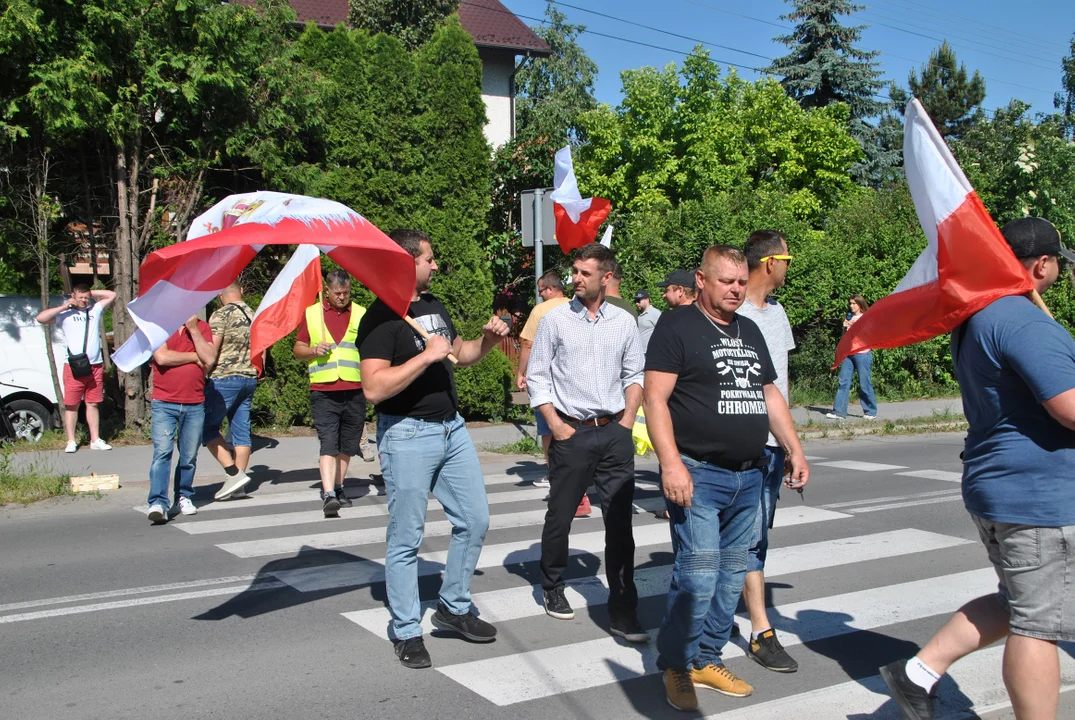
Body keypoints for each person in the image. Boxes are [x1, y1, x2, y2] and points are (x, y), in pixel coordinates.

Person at [881, 217, 1075, 720]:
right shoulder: (1021, 318)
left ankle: (917, 673)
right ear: (1043, 264)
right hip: (1038, 494)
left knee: (1018, 603)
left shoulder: (981, 315)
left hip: (1001, 484)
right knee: (1039, 623)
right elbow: (1069, 407)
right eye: (1059, 264)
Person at [644, 245, 809, 711]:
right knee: (696, 575)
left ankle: (707, 658)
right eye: (726, 281)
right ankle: (676, 663)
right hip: (697, 473)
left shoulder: (749, 330)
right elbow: (656, 400)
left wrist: (795, 449)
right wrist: (670, 463)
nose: (736, 289)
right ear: (701, 280)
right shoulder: (676, 326)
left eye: (740, 282)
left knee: (732, 573)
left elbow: (769, 394)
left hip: (750, 475)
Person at [358, 228, 510, 670]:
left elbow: (459, 354)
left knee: (475, 519)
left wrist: (488, 339)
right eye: (429, 258)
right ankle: (406, 630)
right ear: (408, 263)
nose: (436, 265)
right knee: (407, 537)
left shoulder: (432, 306)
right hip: (407, 434)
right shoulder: (380, 319)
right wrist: (424, 356)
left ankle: (453, 607)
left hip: (452, 430)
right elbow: (372, 387)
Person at [526, 242, 647, 642]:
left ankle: (624, 608)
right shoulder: (557, 320)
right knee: (561, 515)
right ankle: (553, 585)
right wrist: (556, 425)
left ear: (606, 277)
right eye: (574, 271)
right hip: (571, 431)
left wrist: (627, 421)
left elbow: (635, 373)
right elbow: (538, 376)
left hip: (614, 431)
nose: (575, 279)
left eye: (584, 273)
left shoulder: (624, 322)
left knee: (620, 524)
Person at [736, 230, 799, 672]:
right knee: (749, 537)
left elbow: (779, 388)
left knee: (756, 534)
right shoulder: (731, 313)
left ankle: (723, 611)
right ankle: (761, 629)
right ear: (770, 263)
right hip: (742, 444)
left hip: (775, 445)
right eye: (788, 258)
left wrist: (794, 446)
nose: (790, 267)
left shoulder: (778, 315)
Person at [293, 270, 368, 518]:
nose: (342, 298)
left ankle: (339, 487)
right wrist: (314, 350)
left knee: (348, 444)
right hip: (324, 389)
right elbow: (298, 349)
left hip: (354, 388)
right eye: (337, 293)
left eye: (346, 293)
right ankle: (328, 495)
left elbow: (369, 349)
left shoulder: (360, 313)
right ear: (327, 290)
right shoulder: (312, 313)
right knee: (328, 442)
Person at [146, 316, 216, 524]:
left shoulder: (202, 327)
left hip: (195, 402)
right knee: (162, 453)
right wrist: (195, 356)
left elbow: (210, 359)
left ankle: (183, 496)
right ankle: (158, 501)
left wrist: (193, 330)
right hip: (164, 402)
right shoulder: (159, 324)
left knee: (189, 455)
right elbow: (162, 357)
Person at [35, 284, 117, 453]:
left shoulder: (94, 310)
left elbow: (112, 295)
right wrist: (65, 305)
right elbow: (41, 318)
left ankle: (95, 439)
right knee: (72, 405)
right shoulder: (66, 314)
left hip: (94, 365)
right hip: (74, 366)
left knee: (93, 403)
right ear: (73, 296)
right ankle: (71, 440)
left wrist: (90, 293)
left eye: (86, 297)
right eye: (80, 297)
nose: (84, 300)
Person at [515, 270, 570, 491]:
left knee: (548, 429)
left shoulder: (540, 311)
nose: (540, 296)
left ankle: (554, 473)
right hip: (570, 379)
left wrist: (521, 372)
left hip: (546, 379)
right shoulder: (577, 305)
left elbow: (527, 343)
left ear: (550, 289)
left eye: (541, 291)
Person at [203, 283, 258, 500]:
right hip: (249, 377)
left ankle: (233, 473)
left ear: (220, 295)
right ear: (241, 291)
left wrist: (203, 372)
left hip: (224, 378)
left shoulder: (220, 315)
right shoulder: (254, 314)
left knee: (206, 429)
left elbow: (212, 351)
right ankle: (240, 485)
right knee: (241, 432)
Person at [827, 295, 878, 420]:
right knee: (843, 382)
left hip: (862, 353)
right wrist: (845, 326)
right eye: (850, 303)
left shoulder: (865, 317)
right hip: (848, 353)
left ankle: (870, 411)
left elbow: (869, 334)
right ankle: (839, 411)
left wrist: (856, 326)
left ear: (860, 304)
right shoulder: (849, 317)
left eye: (854, 303)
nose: (851, 306)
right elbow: (845, 337)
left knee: (864, 382)